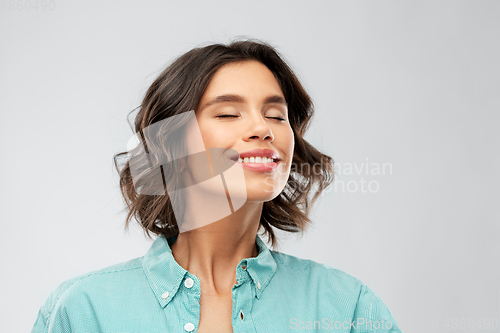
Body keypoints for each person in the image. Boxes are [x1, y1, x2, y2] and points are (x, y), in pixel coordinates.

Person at [31, 39, 402, 333]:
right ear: (171, 142)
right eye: (228, 113)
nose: (264, 129)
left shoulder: (348, 309)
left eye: (276, 115)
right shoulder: (83, 311)